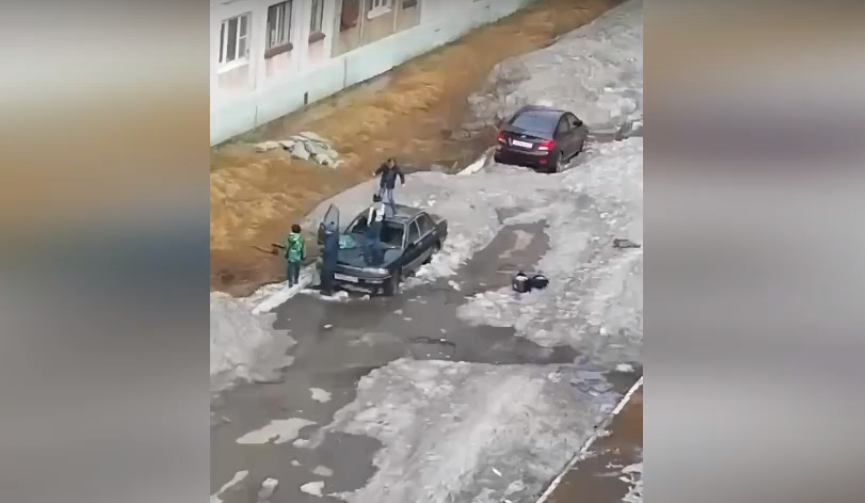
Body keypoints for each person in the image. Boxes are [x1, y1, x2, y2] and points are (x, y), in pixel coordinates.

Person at [363, 194, 386, 265]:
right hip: (379, 223)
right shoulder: (383, 206)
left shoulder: (373, 207)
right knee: (376, 238)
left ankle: (368, 255)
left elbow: (371, 217)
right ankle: (378, 253)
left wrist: (368, 224)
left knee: (367, 239)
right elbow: (384, 215)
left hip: (374, 224)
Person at [320, 221, 339, 296]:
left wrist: (323, 250)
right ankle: (331, 288)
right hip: (333, 259)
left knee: (327, 275)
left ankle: (327, 290)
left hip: (328, 260)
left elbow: (328, 249)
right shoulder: (335, 236)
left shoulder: (330, 238)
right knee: (330, 275)